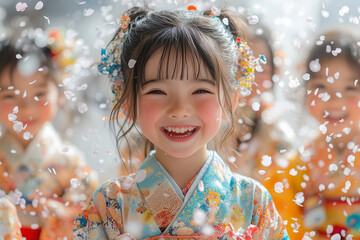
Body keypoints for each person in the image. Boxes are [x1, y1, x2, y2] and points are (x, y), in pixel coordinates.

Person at [73, 6, 289, 239]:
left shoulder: (253, 201)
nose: (180, 109)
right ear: (128, 102)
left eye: (200, 90)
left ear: (230, 101)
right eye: (157, 90)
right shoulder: (107, 206)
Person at [0, 31, 98, 239]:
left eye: (39, 94)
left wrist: (57, 214)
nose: (25, 107)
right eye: (9, 95)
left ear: (60, 95)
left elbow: (88, 214)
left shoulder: (71, 161)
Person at [292, 28, 360, 239]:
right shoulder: (300, 161)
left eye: (350, 87)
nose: (335, 100)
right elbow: (289, 223)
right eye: (321, 86)